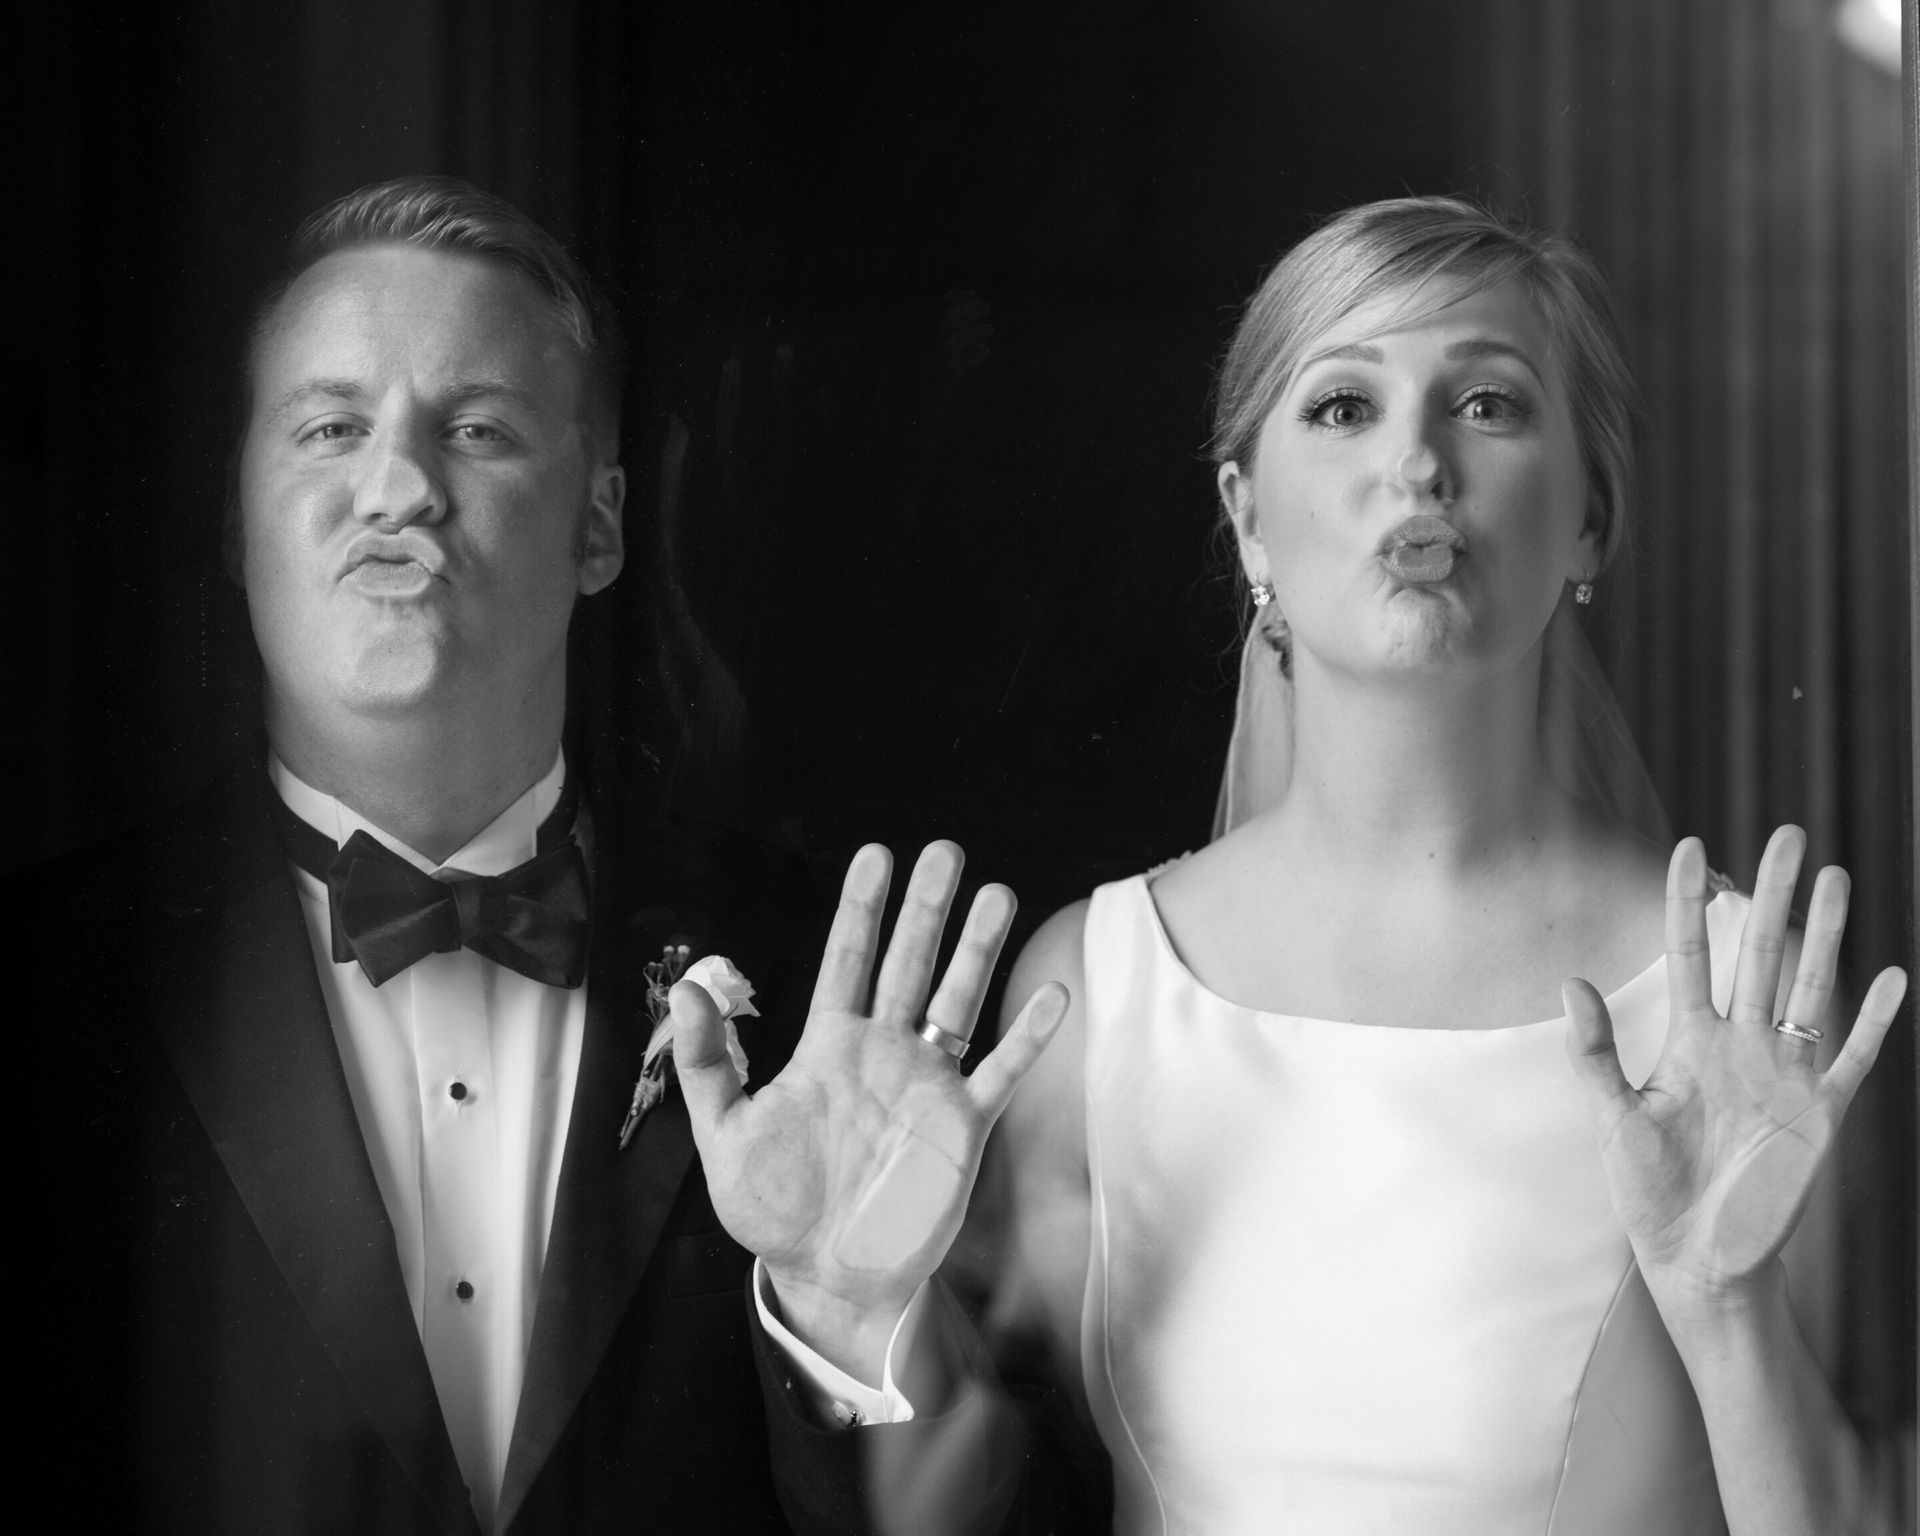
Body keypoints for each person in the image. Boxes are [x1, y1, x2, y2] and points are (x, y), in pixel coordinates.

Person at [25, 175, 1083, 1536]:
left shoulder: (826, 993)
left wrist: (852, 1328)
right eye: (331, 427)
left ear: (600, 528)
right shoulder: (43, 988)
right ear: (238, 523)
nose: (398, 487)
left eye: (476, 430)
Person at [974, 197, 1911, 1534]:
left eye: (1487, 404)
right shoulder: (1089, 994)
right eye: (1345, 406)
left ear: (1590, 516)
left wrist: (1730, 1314)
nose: (1416, 464)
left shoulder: (1751, 1018)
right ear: (1247, 519)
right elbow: (957, 1496)